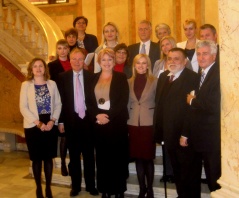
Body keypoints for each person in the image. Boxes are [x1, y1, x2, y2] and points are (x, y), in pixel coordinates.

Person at [154, 48, 198, 198]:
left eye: (176, 58)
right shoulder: (164, 77)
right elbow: (159, 104)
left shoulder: (192, 78)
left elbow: (192, 110)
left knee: (189, 174)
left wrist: (186, 134)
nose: (172, 62)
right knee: (178, 172)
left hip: (184, 137)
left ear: (185, 61)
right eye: (169, 58)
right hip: (168, 135)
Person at [88, 48, 129, 198]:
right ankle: (104, 189)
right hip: (99, 125)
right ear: (99, 62)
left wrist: (108, 116)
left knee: (117, 158)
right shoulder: (92, 78)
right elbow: (89, 102)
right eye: (103, 60)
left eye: (110, 59)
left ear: (114, 61)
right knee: (102, 158)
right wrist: (97, 116)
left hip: (116, 124)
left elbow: (122, 102)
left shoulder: (121, 77)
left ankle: (118, 190)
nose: (106, 62)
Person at [57, 48, 98, 197]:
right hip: (71, 121)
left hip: (88, 121)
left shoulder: (91, 77)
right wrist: (60, 121)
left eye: (80, 59)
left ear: (84, 61)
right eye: (74, 59)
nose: (77, 62)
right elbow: (60, 101)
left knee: (88, 156)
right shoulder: (62, 77)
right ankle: (75, 186)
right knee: (74, 157)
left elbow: (94, 100)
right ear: (70, 60)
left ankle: (90, 185)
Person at [183, 40, 221, 197]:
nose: (201, 57)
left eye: (205, 54)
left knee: (215, 177)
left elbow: (213, 104)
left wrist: (192, 100)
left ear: (214, 55)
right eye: (198, 54)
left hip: (212, 136)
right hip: (199, 135)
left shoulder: (218, 73)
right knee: (202, 175)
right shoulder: (202, 73)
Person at [20, 58, 62, 198]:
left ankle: (48, 188)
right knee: (36, 159)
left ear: (45, 68)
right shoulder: (26, 85)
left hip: (50, 123)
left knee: (48, 158)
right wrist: (38, 123)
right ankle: (38, 187)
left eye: (41, 66)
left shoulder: (52, 84)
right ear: (31, 70)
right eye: (35, 66)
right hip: (33, 125)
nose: (38, 69)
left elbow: (58, 104)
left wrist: (52, 121)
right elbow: (23, 107)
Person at [127, 54, 157, 198]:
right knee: (138, 158)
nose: (141, 66)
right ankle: (142, 188)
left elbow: (159, 103)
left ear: (148, 65)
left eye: (144, 63)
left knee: (148, 158)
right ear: (134, 65)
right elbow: (127, 104)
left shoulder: (155, 81)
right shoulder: (128, 82)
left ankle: (150, 189)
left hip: (148, 123)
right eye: (138, 63)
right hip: (133, 123)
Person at [48, 39, 71, 177]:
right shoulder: (52, 65)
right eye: (60, 48)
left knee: (71, 135)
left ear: (69, 49)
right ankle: (62, 162)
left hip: (73, 102)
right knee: (63, 135)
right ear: (57, 50)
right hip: (60, 102)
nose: (62, 51)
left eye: (65, 48)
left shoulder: (73, 62)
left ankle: (70, 162)